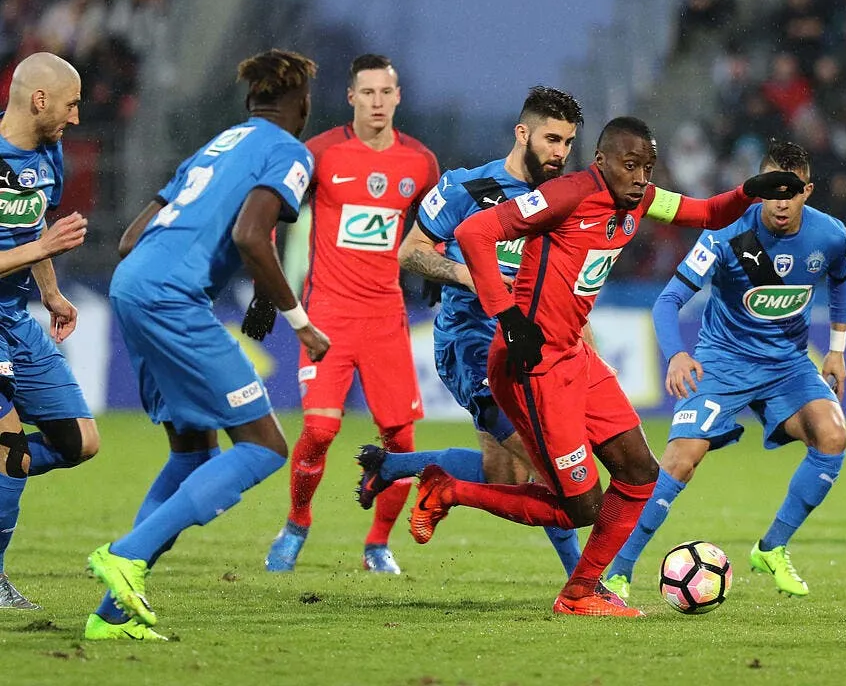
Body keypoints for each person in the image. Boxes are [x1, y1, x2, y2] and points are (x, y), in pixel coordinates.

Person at [358, 116, 805, 616]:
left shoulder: (642, 199)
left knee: (640, 472)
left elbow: (706, 212)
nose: (640, 177)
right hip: (530, 364)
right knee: (581, 507)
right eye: (630, 165)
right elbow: (476, 231)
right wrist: (507, 316)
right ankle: (450, 492)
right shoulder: (567, 194)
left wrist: (750, 190)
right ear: (602, 162)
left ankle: (580, 593)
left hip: (572, 354)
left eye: (647, 167)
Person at [83, 49, 330, 640]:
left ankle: (111, 615)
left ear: (251, 102)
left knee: (192, 453)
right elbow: (251, 234)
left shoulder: (216, 146)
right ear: (300, 105)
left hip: (132, 287)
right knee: (266, 446)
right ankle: (127, 554)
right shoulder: (290, 151)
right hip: (172, 298)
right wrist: (298, 320)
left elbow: (127, 239)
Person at [601, 139, 846, 600]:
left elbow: (842, 277)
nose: (780, 201)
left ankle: (772, 548)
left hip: (788, 365)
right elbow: (668, 301)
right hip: (723, 363)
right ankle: (619, 569)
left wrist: (837, 347)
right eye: (771, 189)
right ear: (757, 190)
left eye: (790, 191)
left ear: (807, 192)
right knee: (679, 461)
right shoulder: (725, 234)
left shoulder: (830, 236)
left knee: (833, 436)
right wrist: (678, 353)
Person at [357, 86, 584, 576]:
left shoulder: (561, 200)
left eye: (567, 142)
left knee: (503, 473)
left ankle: (392, 467)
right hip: (470, 341)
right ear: (522, 133)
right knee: (552, 466)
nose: (560, 152)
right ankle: (585, 580)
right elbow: (410, 251)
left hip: (527, 347)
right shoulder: (467, 187)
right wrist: (466, 273)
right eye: (551, 139)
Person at [262, 54, 439, 575]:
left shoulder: (420, 162)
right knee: (318, 431)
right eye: (368, 93)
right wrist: (263, 288)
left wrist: (431, 266)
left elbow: (436, 219)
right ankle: (296, 523)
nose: (378, 102)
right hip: (328, 317)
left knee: (401, 443)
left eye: (387, 92)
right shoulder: (320, 154)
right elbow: (269, 213)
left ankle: (377, 545)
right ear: (351, 98)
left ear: (398, 96)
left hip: (386, 318)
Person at [0, 51, 99, 610]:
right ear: (40, 100)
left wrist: (52, 291)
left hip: (17, 317)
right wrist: (43, 247)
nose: (77, 117)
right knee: (9, 446)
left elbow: (35, 220)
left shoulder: (50, 155)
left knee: (80, 442)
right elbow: (42, 237)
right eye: (71, 103)